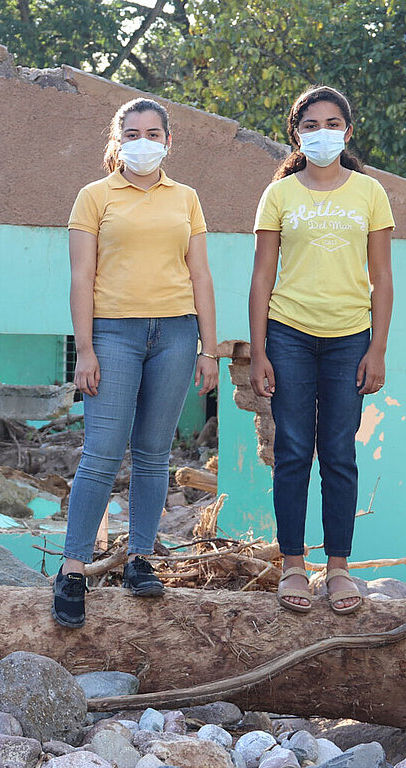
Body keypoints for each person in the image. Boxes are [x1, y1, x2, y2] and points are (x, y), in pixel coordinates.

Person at [51, 97, 218, 628]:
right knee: (100, 452)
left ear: (168, 142)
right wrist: (85, 349)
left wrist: (208, 349)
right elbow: (81, 278)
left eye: (153, 133)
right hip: (114, 334)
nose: (142, 141)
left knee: (153, 453)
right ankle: (73, 569)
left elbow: (202, 277)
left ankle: (140, 560)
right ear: (117, 139)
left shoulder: (186, 198)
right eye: (132, 132)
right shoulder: (93, 197)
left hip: (176, 333)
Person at [249, 86, 394, 615]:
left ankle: (338, 569)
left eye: (333, 123)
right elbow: (262, 276)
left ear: (348, 132)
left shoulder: (369, 193)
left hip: (349, 340)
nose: (322, 133)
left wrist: (377, 348)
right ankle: (293, 565)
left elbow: (381, 277)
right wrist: (259, 351)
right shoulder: (280, 195)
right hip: (287, 335)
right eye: (311, 124)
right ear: (296, 133)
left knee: (338, 453)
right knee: (291, 452)